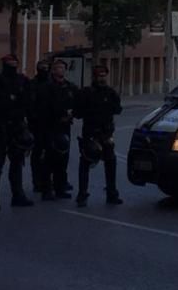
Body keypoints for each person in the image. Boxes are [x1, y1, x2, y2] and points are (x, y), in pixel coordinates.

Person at [74, 64, 123, 207]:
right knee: (86, 162)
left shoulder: (110, 93)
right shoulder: (86, 93)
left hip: (106, 133)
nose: (102, 78)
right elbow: (78, 112)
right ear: (94, 77)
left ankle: (112, 193)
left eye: (104, 75)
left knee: (110, 162)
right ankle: (82, 194)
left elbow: (118, 109)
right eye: (100, 76)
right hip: (90, 133)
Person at [0, 54, 35, 208]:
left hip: (17, 126)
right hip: (0, 125)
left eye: (14, 62)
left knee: (17, 162)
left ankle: (18, 196)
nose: (12, 64)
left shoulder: (22, 80)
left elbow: (29, 99)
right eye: (9, 62)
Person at [38, 59, 77, 200]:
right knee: (49, 159)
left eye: (62, 67)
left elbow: (76, 103)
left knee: (63, 159)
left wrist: (72, 114)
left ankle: (60, 187)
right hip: (51, 127)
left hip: (65, 127)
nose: (60, 70)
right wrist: (58, 115)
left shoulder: (69, 87)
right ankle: (46, 189)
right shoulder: (47, 87)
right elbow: (43, 107)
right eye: (58, 67)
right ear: (53, 70)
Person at [29, 60, 51, 194]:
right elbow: (29, 103)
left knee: (50, 154)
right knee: (37, 154)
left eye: (46, 68)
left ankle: (48, 181)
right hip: (36, 124)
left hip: (49, 124)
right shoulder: (32, 84)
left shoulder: (51, 85)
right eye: (42, 68)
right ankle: (37, 182)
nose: (44, 70)